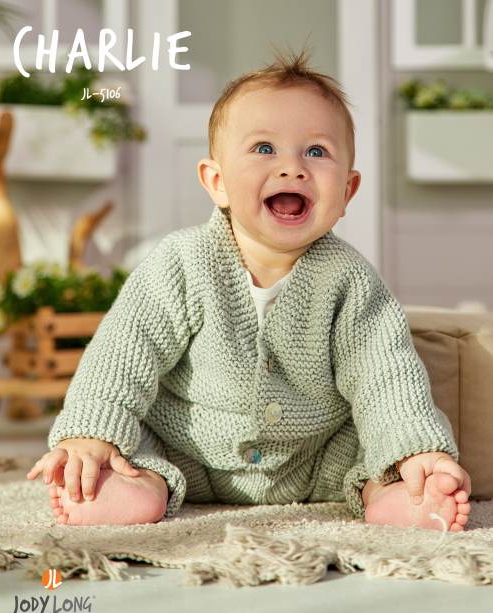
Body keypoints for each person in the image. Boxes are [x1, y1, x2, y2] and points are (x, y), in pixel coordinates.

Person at [26, 49, 471, 530]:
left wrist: (414, 449)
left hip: (313, 457)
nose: (292, 168)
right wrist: (92, 433)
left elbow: (384, 374)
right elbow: (124, 350)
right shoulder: (181, 262)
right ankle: (136, 488)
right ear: (217, 182)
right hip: (185, 447)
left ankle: (396, 493)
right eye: (264, 149)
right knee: (135, 448)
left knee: (373, 447)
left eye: (316, 152)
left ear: (346, 192)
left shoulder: (351, 280)